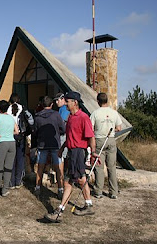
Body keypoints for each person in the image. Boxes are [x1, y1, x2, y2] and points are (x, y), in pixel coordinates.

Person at [45, 91, 97, 221]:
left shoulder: (83, 117)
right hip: (71, 152)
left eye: (67, 101)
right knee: (78, 179)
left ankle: (60, 211)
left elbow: (91, 137)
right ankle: (87, 205)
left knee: (72, 181)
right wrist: (62, 149)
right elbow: (69, 137)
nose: (66, 103)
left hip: (79, 152)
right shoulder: (70, 118)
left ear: (75, 102)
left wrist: (93, 153)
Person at [90, 92, 122, 199]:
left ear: (98, 101)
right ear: (107, 101)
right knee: (111, 167)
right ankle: (113, 192)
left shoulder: (95, 113)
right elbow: (119, 128)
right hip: (111, 139)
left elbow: (91, 128)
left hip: (99, 139)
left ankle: (98, 191)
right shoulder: (114, 113)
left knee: (99, 166)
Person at [33, 96, 65, 199]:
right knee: (58, 167)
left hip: (42, 144)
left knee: (40, 166)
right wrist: (57, 133)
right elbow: (63, 129)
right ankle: (60, 189)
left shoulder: (37, 116)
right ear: (52, 105)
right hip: (55, 143)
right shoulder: (56, 115)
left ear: (42, 105)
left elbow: (35, 131)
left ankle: (37, 187)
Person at [7, 93, 26, 189]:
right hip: (20, 136)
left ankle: (11, 182)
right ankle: (18, 181)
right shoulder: (22, 108)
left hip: (10, 135)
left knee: (11, 159)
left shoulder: (8, 109)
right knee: (20, 158)